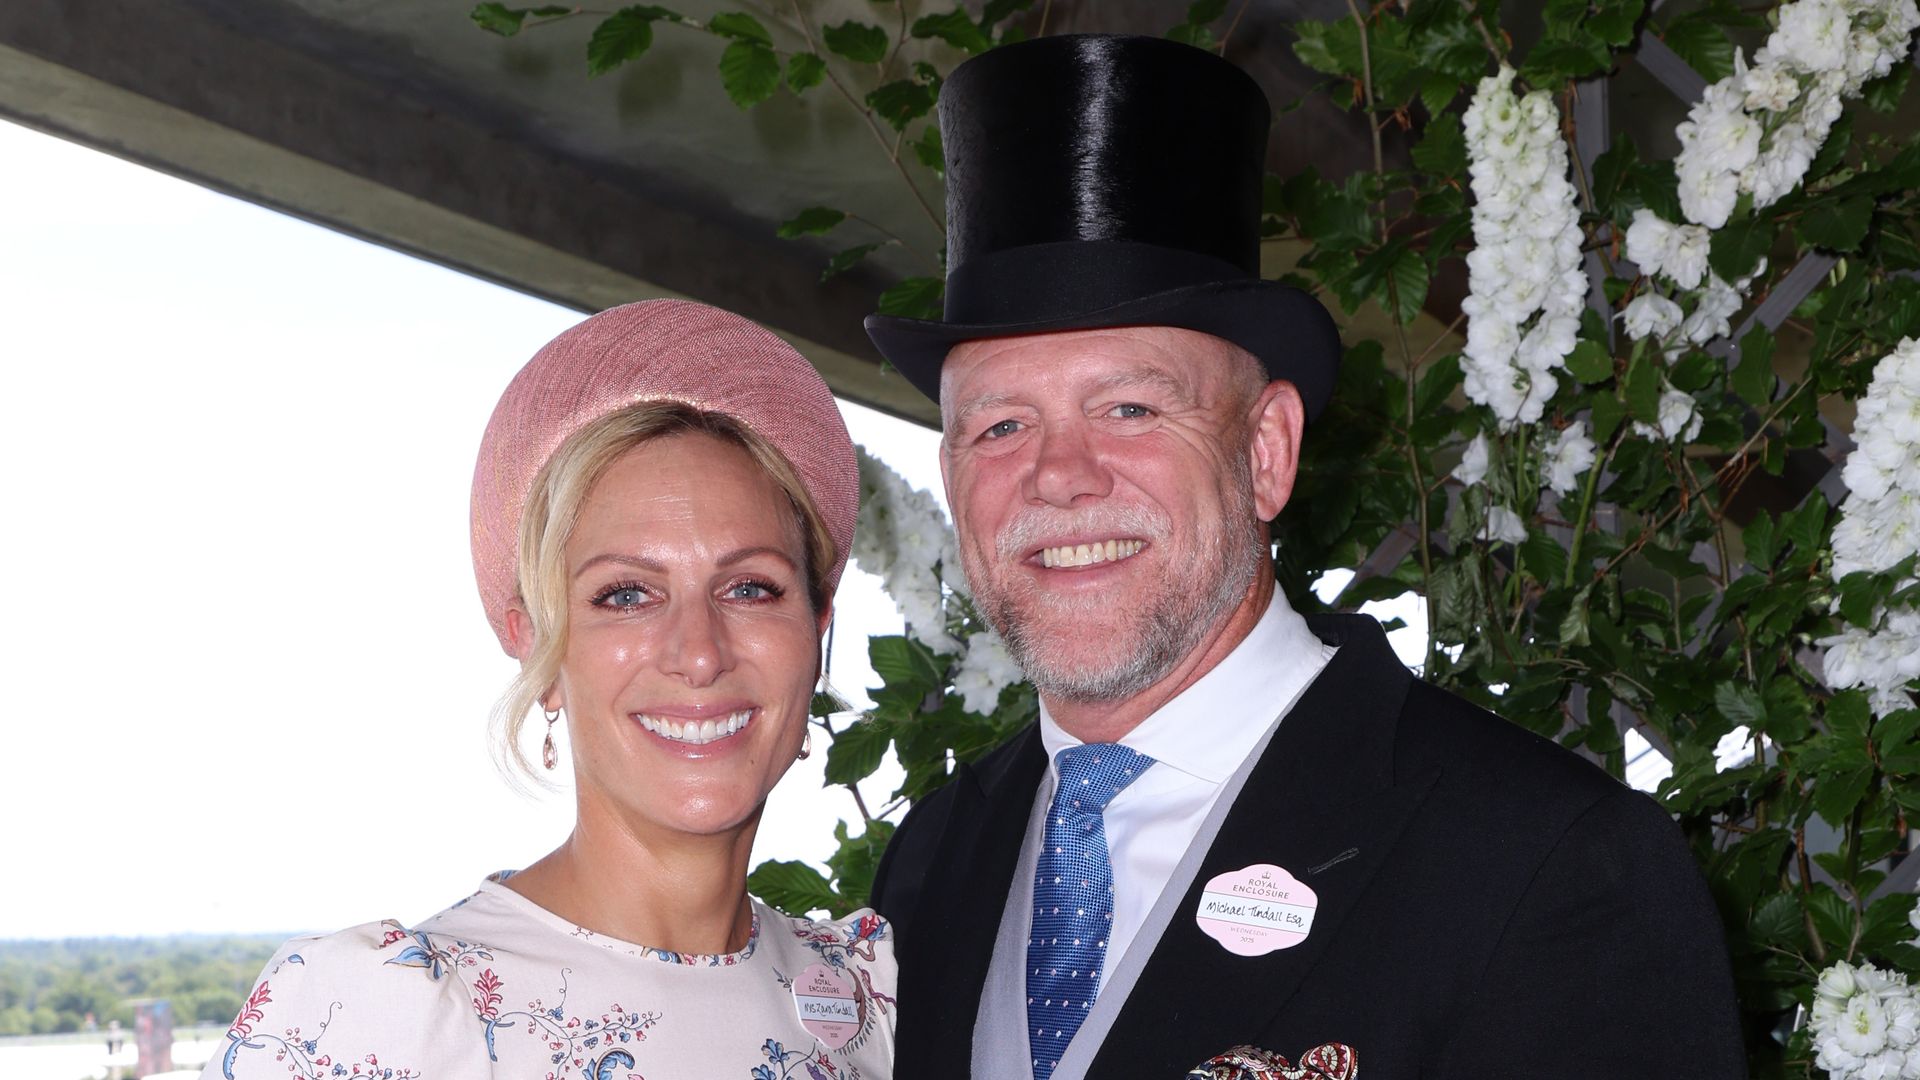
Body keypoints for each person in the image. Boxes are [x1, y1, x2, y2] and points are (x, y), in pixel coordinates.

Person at [863, 34, 1743, 1080]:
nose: (1060, 477)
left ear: (1266, 452)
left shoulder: (1544, 863)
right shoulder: (931, 862)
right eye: (1001, 427)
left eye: (1131, 407)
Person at [205, 300, 894, 1079]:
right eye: (626, 594)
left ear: (817, 628)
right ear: (537, 644)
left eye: (752, 589)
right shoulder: (385, 1023)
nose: (699, 655)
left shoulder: (873, 999)